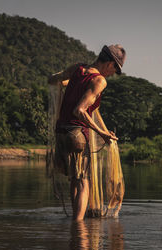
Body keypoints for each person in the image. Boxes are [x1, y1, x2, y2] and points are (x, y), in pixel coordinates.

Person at [48, 44, 126, 221]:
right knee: (84, 182)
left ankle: (75, 227)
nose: (113, 74)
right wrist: (103, 134)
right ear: (110, 64)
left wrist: (67, 83)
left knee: (75, 180)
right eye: (115, 69)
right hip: (76, 135)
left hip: (61, 133)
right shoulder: (99, 81)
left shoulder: (78, 69)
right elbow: (80, 111)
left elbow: (53, 79)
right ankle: (79, 229)